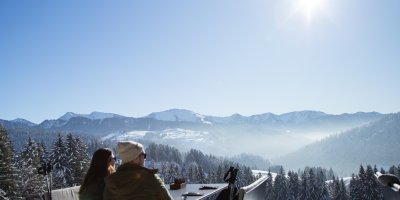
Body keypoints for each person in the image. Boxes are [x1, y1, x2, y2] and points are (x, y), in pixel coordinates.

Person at [103, 141, 173, 200]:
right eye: (144, 155)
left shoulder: (110, 182)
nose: (145, 159)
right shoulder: (150, 179)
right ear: (136, 158)